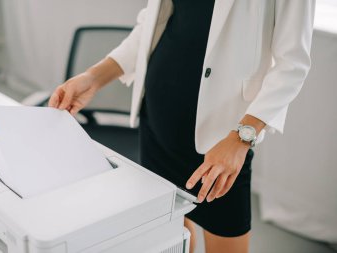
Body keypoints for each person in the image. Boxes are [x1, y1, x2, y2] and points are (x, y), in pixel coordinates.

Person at [49, 1, 315, 252]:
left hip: (223, 139)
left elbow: (292, 64)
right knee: (172, 239)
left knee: (225, 233)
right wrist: (93, 78)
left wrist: (242, 138)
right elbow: (152, 25)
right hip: (157, 120)